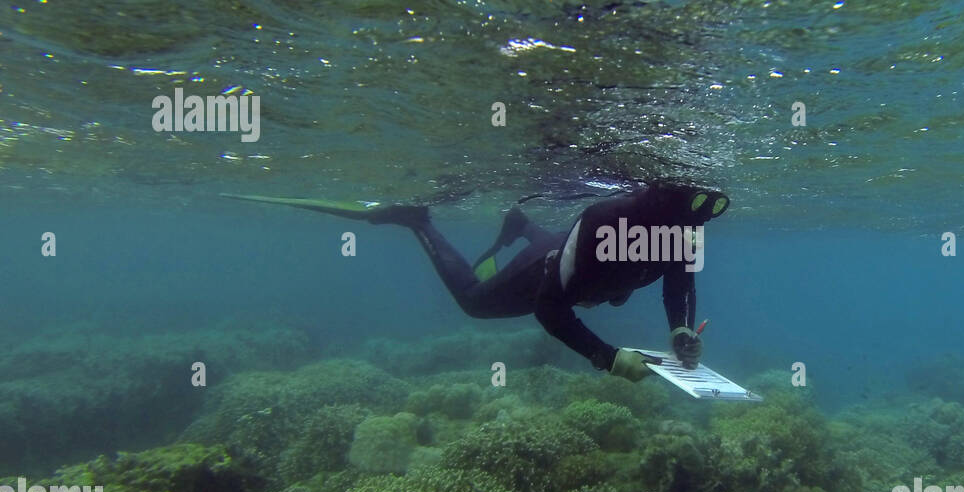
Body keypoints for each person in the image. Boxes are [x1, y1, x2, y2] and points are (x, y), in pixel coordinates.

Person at [226, 182, 730, 381]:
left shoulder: (683, 232)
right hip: (548, 267)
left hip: (581, 264)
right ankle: (417, 221)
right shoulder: (606, 221)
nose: (689, 237)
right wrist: (606, 357)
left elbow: (678, 282)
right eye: (686, 226)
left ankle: (521, 226)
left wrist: (679, 331)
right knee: (472, 302)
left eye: (694, 230)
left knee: (573, 259)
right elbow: (550, 310)